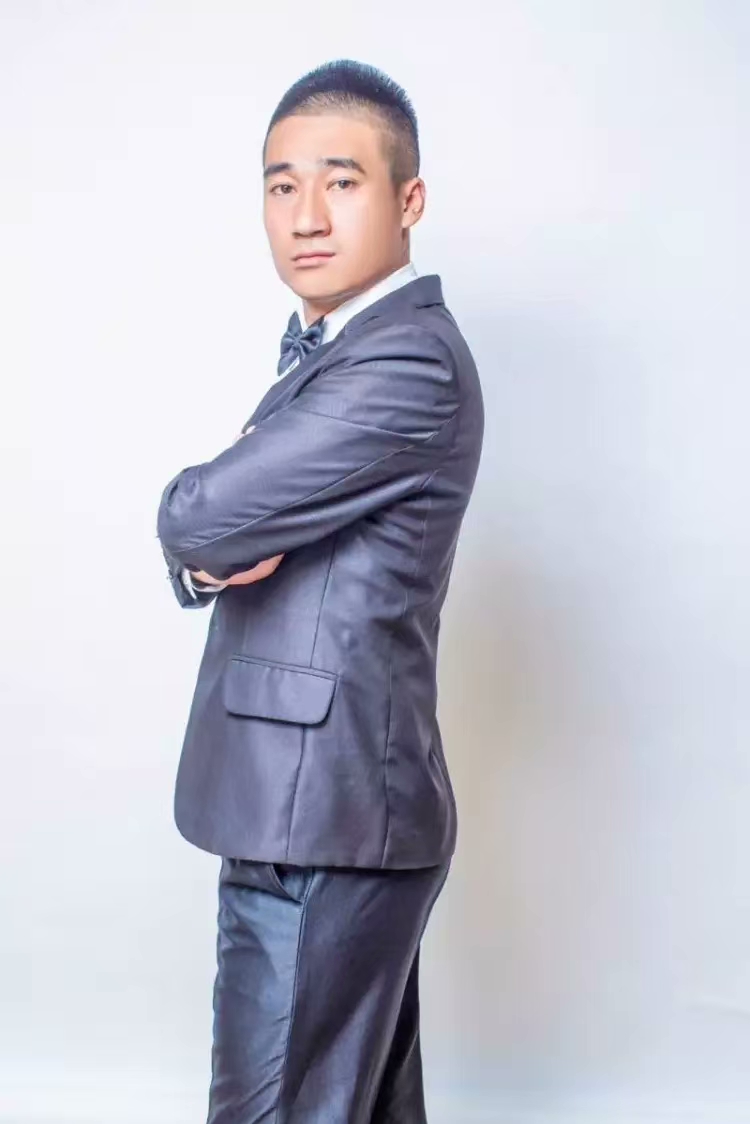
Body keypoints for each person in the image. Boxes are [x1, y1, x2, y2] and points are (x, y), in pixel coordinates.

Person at [156, 57, 484, 1124]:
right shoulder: (346, 354)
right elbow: (222, 534)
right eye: (281, 185)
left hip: (324, 823)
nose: (305, 215)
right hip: (319, 813)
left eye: (341, 182)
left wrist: (205, 534)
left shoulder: (405, 362)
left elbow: (200, 514)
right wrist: (218, 544)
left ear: (409, 199)